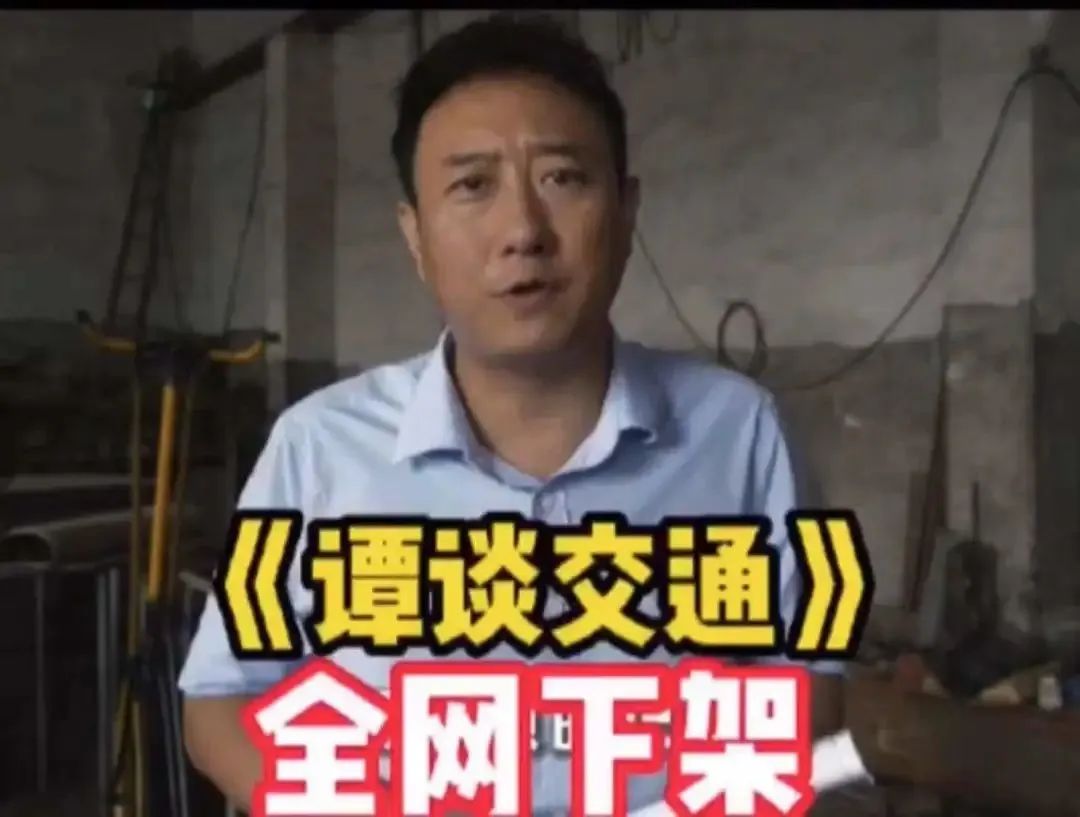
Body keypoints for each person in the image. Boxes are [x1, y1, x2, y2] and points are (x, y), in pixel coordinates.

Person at [180, 12, 846, 814]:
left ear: (626, 212)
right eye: (472, 186)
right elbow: (219, 697)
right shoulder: (318, 448)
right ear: (415, 235)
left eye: (562, 178)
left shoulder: (739, 433)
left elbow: (807, 680)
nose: (523, 231)